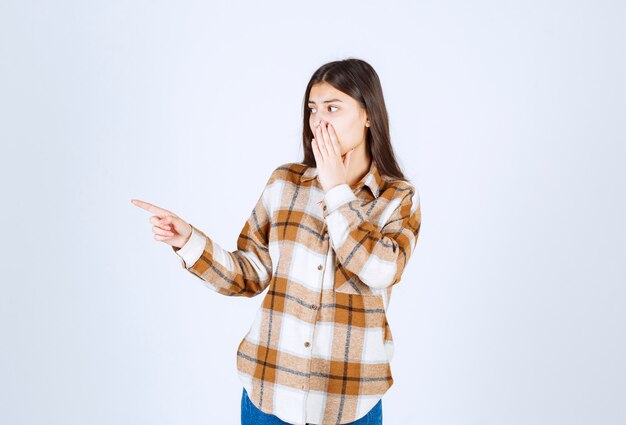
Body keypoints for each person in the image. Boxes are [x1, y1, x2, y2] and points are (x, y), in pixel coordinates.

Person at [131, 58, 421, 425]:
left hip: (348, 402)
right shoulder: (285, 183)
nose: (319, 120)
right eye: (313, 109)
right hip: (268, 392)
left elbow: (380, 270)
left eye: (333, 107)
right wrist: (189, 241)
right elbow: (250, 274)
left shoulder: (398, 198)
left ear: (368, 115)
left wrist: (336, 192)